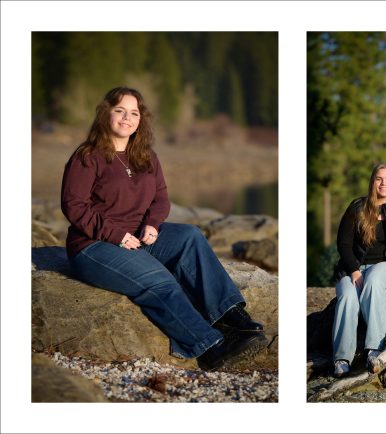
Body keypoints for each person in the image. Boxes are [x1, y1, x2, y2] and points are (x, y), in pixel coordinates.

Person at [61, 87, 265, 370]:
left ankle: (229, 317)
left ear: (140, 119)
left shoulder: (145, 155)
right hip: (94, 245)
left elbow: (161, 198)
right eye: (119, 110)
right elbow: (74, 206)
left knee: (190, 236)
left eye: (133, 113)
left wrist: (153, 225)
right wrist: (116, 235)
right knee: (158, 279)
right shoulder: (87, 157)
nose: (126, 118)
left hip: (139, 234)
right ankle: (209, 346)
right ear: (105, 113)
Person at [331, 163, 386, 378]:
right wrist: (354, 271)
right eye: (379, 179)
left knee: (374, 281)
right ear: (372, 182)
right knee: (347, 296)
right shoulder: (357, 207)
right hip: (354, 267)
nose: (383, 183)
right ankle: (341, 358)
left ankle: (374, 348)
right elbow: (343, 244)